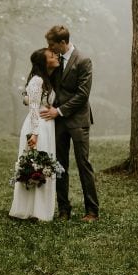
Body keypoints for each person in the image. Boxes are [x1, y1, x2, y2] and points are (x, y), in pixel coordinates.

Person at [40, 25, 99, 222]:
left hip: (78, 120)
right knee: (60, 165)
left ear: (63, 43)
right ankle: (64, 210)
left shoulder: (83, 60)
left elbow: (83, 95)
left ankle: (92, 211)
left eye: (52, 44)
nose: (50, 48)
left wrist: (59, 111)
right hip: (59, 122)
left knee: (83, 164)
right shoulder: (55, 61)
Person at [8, 48, 60, 222]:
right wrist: (35, 133)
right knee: (34, 164)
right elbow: (33, 109)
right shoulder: (37, 81)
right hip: (36, 125)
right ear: (44, 62)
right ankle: (28, 210)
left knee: (43, 165)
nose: (56, 57)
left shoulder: (48, 79)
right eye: (52, 56)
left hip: (48, 126)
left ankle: (39, 209)